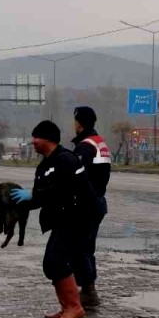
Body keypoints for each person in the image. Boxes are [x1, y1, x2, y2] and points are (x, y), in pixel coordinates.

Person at [10, 120, 101, 318]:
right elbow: (39, 198)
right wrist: (18, 204)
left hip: (79, 217)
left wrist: (34, 195)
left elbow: (63, 190)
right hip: (63, 219)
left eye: (36, 137)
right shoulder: (44, 165)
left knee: (56, 261)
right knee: (51, 264)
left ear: (48, 139)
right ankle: (67, 307)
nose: (33, 141)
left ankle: (75, 308)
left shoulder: (66, 160)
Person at [69, 106, 111, 307]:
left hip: (85, 204)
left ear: (79, 124)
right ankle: (88, 289)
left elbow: (77, 178)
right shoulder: (99, 143)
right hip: (97, 202)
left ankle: (88, 290)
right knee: (87, 247)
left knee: (79, 249)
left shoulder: (85, 147)